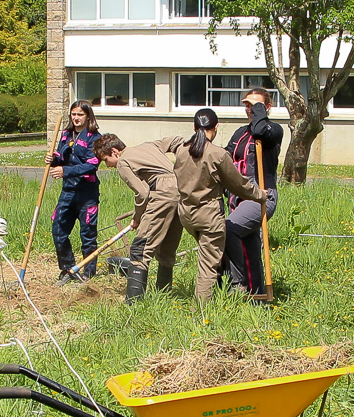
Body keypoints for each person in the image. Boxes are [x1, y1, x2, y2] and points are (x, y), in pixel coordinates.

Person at [173, 107, 266, 301]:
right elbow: (238, 184)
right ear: (215, 127)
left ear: (194, 126)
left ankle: (221, 290)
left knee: (210, 255)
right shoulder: (217, 154)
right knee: (207, 265)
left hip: (186, 214)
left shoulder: (181, 151)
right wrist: (260, 195)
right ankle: (202, 310)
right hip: (208, 216)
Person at [107, 133, 184, 302]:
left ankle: (133, 303)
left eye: (106, 160)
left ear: (114, 152)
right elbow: (175, 140)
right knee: (166, 249)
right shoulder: (150, 145)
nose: (108, 165)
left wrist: (137, 216)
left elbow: (142, 193)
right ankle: (163, 296)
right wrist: (183, 159)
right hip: (182, 190)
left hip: (163, 194)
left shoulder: (123, 161)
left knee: (140, 249)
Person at [222, 87, 282, 295]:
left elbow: (259, 130)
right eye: (247, 105)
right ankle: (255, 292)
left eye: (255, 106)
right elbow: (225, 157)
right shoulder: (240, 133)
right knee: (249, 244)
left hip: (261, 196)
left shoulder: (273, 130)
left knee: (229, 229)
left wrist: (259, 111)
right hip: (238, 197)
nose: (250, 110)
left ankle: (238, 285)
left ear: (267, 107)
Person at [48, 101, 103, 282]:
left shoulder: (95, 138)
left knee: (87, 235)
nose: (76, 118)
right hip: (68, 191)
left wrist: (66, 171)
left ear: (88, 117)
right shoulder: (66, 134)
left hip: (87, 193)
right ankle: (68, 269)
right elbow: (61, 158)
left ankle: (89, 273)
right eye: (73, 114)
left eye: (80, 114)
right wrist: (53, 160)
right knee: (58, 228)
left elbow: (91, 165)